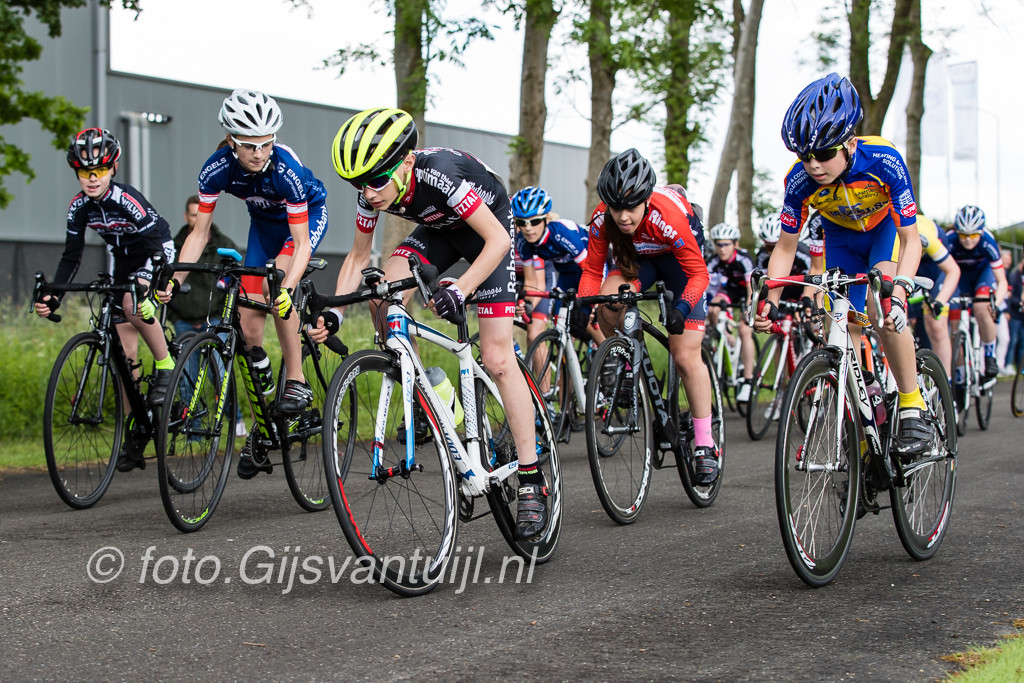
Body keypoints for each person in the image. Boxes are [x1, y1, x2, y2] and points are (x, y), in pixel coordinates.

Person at [321, 107, 549, 540]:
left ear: (406, 162)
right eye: (357, 184)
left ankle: (531, 476)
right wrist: (335, 312)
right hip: (438, 231)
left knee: (498, 358)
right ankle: (427, 388)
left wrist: (461, 288)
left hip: (487, 231)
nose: (367, 193)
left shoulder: (438, 174)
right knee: (381, 292)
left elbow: (498, 240)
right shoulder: (371, 190)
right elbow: (357, 257)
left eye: (375, 180)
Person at [755, 72, 932, 462]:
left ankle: (912, 404)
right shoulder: (799, 180)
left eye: (823, 154)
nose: (813, 165)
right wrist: (770, 299)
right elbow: (785, 247)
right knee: (838, 321)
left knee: (881, 308)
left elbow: (911, 239)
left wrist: (900, 291)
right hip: (841, 239)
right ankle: (862, 404)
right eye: (804, 156)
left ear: (851, 143)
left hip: (884, 233)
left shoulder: (883, 159)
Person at [162, 89, 330, 480]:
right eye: (250, 145)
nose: (259, 153)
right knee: (247, 323)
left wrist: (287, 287)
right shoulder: (216, 168)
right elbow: (199, 234)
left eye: (266, 143)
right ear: (231, 140)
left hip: (304, 222)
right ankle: (263, 425)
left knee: (275, 286)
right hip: (264, 229)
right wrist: (174, 279)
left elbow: (301, 243)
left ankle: (297, 380)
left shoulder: (286, 169)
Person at [35, 127, 175, 472]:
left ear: (113, 168)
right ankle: (136, 428)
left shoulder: (126, 199)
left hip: (155, 250)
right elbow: (71, 257)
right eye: (85, 171)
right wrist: (54, 293)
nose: (92, 178)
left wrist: (150, 281)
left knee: (130, 303)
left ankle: (166, 366)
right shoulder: (78, 207)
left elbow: (155, 246)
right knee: (124, 354)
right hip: (121, 258)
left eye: (99, 170)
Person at [579, 148, 720, 485]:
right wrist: (583, 306)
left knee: (685, 355)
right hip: (638, 260)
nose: (623, 216)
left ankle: (705, 444)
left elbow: (699, 274)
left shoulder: (667, 215)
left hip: (680, 266)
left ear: (645, 198)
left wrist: (682, 308)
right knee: (608, 301)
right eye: (615, 208)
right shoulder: (602, 218)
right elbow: (592, 271)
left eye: (631, 207)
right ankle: (630, 360)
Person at [169, 194, 247, 437]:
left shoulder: (225, 246)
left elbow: (236, 281)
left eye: (200, 214)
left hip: (214, 320)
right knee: (186, 377)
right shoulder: (175, 246)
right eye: (193, 215)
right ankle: (192, 430)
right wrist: (174, 314)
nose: (197, 219)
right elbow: (165, 281)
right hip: (183, 321)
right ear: (186, 217)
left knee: (220, 373)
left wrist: (224, 317)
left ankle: (235, 419)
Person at [511, 185, 602, 350]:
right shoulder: (523, 241)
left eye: (534, 221)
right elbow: (531, 281)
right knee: (561, 326)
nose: (528, 228)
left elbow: (589, 270)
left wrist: (595, 304)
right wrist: (527, 304)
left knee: (585, 317)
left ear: (546, 219)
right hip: (566, 275)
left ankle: (610, 352)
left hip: (589, 270)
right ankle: (566, 364)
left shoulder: (561, 233)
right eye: (521, 223)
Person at [943, 205, 1007, 380]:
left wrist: (995, 304)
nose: (968, 240)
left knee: (983, 309)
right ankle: (960, 374)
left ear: (981, 232)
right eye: (963, 235)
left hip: (982, 276)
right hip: (960, 278)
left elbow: (1002, 281)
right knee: (955, 327)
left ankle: (989, 354)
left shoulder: (988, 241)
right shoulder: (950, 240)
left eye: (973, 235)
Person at [705, 222, 756, 402]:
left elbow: (752, 289)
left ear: (735, 244)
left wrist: (748, 310)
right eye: (718, 244)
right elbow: (706, 288)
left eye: (726, 244)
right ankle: (725, 339)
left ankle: (748, 380)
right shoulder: (713, 261)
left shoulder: (744, 259)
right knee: (713, 308)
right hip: (729, 292)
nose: (722, 249)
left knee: (744, 330)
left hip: (747, 293)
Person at [913, 214, 960, 375]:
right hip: (907, 262)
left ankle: (946, 381)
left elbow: (953, 270)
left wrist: (939, 301)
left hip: (935, 268)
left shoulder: (925, 236)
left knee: (936, 324)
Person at [1005, 255, 1024, 375]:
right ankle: (1007, 364)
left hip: (1022, 317)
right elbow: (1010, 296)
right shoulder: (1014, 276)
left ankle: (1020, 366)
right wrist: (1019, 303)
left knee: (1022, 341)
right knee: (1012, 341)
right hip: (1014, 314)